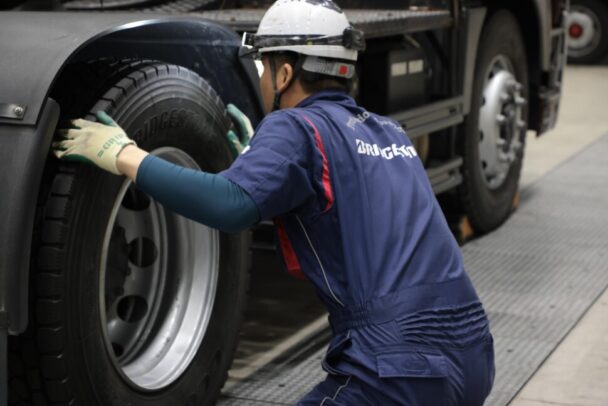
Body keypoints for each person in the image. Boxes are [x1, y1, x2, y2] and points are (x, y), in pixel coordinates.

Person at [53, 0, 495, 404]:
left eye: (264, 67)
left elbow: (230, 207)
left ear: (284, 74)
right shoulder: (389, 132)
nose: (262, 79)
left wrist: (126, 156)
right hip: (473, 352)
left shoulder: (295, 127)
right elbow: (349, 203)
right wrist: (264, 167)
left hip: (396, 365)